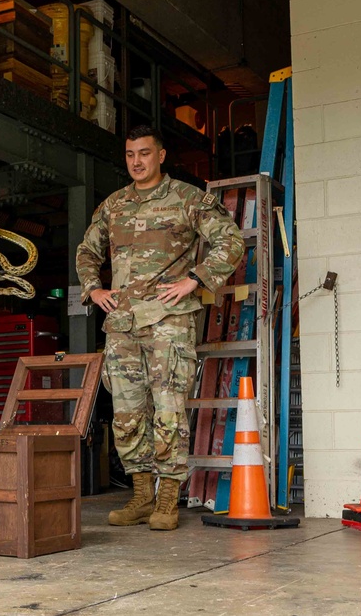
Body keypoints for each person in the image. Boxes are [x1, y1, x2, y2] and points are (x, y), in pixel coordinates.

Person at [75, 125, 244, 531]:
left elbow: (231, 240)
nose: (137, 161)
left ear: (162, 155)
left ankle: (167, 500)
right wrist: (93, 289)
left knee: (168, 411)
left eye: (145, 153)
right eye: (131, 154)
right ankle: (140, 497)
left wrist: (196, 279)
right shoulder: (113, 205)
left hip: (169, 322)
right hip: (122, 324)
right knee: (127, 414)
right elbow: (87, 250)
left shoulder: (188, 198)